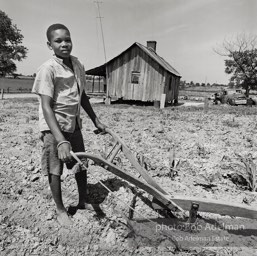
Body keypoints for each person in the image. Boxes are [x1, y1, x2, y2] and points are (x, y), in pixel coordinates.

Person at [32, 23, 107, 226]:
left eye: (68, 39)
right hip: (53, 128)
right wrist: (60, 141)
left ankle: (82, 202)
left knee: (80, 165)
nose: (64, 44)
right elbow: (46, 107)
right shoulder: (47, 69)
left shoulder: (77, 64)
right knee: (55, 169)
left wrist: (96, 120)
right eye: (58, 41)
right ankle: (60, 209)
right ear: (50, 44)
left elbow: (82, 96)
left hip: (74, 124)